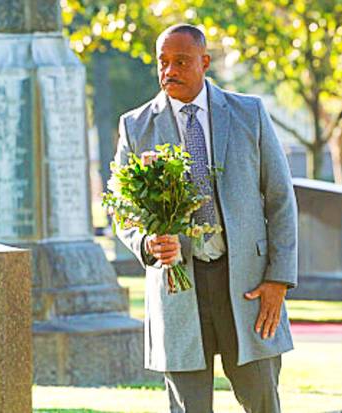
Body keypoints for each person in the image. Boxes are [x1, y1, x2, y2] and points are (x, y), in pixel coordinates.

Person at [113, 23, 298, 412]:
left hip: (248, 288)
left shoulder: (250, 113)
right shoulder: (135, 126)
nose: (170, 71)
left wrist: (278, 280)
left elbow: (280, 199)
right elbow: (122, 209)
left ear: (204, 63)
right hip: (177, 290)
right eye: (162, 62)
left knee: (263, 402)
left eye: (181, 61)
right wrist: (145, 242)